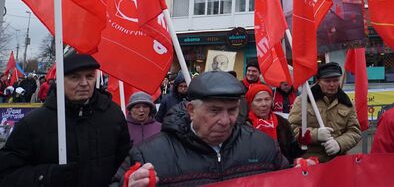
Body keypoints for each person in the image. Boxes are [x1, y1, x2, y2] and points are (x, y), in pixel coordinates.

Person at [115, 71, 287, 186]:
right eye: (215, 110)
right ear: (191, 110)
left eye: (232, 110)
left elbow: (287, 178)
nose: (225, 121)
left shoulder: (264, 145)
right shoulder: (147, 155)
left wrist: (304, 171)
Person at [0, 53, 131, 186]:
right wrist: (46, 176)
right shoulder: (33, 123)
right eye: (75, 78)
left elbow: (125, 163)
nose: (84, 83)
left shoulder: (113, 115)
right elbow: (7, 174)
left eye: (90, 76)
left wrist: (131, 178)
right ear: (60, 80)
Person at [288, 62, 361, 163]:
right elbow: (291, 129)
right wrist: (314, 135)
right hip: (310, 161)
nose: (332, 84)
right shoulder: (304, 100)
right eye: (327, 81)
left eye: (335, 80)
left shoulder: (347, 103)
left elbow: (354, 131)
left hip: (338, 161)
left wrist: (339, 144)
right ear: (318, 81)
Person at [246, 83, 303, 163]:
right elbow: (245, 158)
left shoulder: (282, 123)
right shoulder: (244, 127)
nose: (264, 104)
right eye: (258, 100)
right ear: (250, 104)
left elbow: (292, 153)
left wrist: (301, 143)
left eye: (267, 99)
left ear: (272, 101)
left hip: (282, 171)